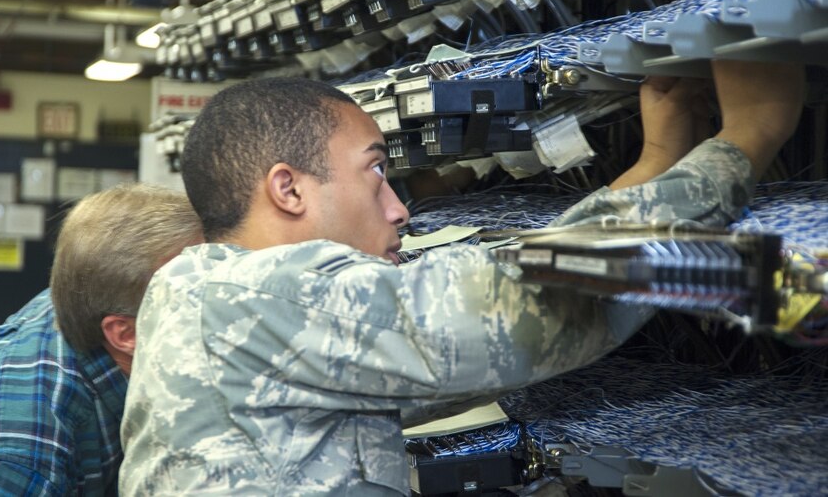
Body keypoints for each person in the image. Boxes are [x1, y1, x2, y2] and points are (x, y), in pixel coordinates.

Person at [119, 60, 804, 495]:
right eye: (377, 170)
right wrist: (747, 137)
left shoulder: (206, 293)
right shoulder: (262, 296)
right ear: (288, 190)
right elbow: (524, 306)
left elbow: (478, 338)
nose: (400, 207)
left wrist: (657, 159)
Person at [0, 184, 202, 495]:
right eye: (200, 296)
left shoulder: (93, 292)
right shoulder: (19, 450)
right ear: (126, 334)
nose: (227, 307)